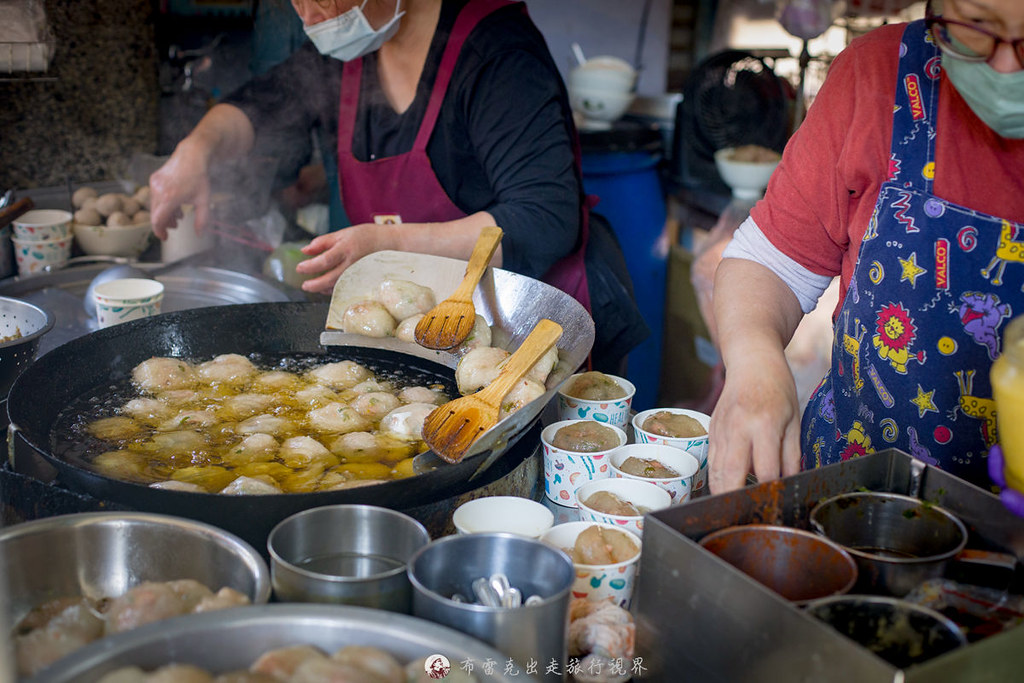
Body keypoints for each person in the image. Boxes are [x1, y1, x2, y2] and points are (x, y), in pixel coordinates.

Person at [149, 0, 648, 372]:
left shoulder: (498, 51)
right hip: (422, 340)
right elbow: (261, 104)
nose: (310, 11)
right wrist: (196, 151)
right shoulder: (346, 51)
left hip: (528, 332)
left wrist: (387, 244)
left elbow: (544, 217)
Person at [708, 0, 1024, 500]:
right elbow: (772, 261)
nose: (1005, 65)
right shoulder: (882, 76)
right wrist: (753, 359)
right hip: (847, 494)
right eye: (976, 26)